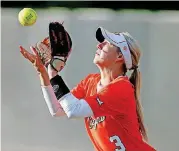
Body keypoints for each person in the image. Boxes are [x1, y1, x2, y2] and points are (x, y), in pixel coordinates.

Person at [20, 27, 156, 151]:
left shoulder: (122, 87)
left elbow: (73, 110)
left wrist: (53, 74)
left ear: (120, 56)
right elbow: (58, 109)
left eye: (107, 43)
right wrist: (43, 73)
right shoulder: (90, 82)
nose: (99, 45)